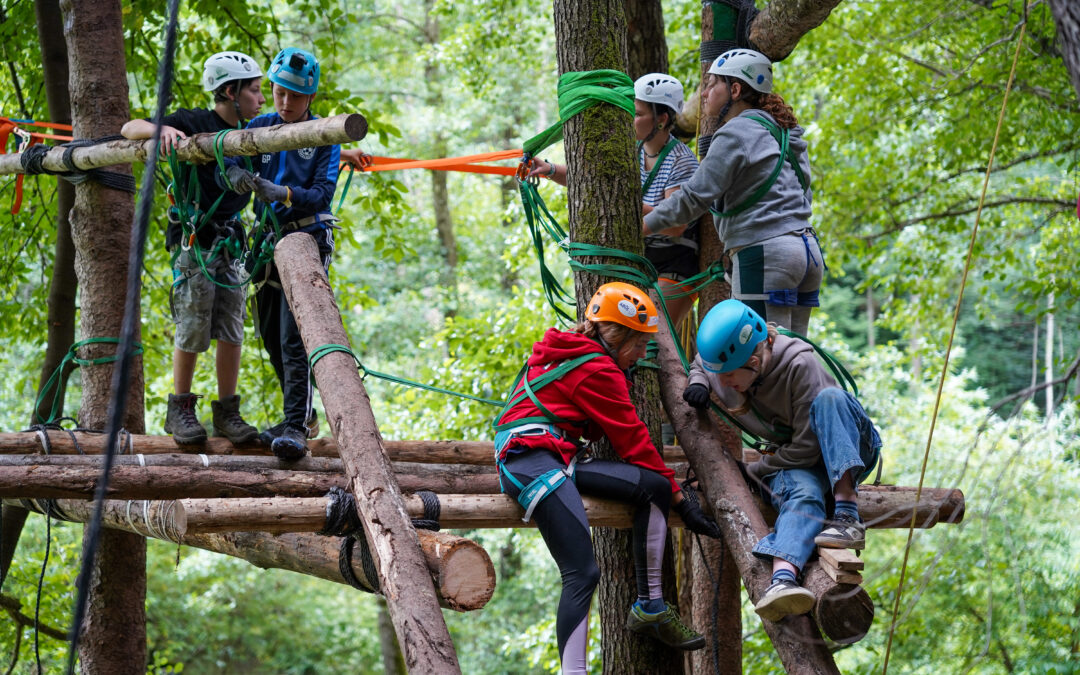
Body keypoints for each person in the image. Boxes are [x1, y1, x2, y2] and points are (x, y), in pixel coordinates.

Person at [493, 282, 722, 674]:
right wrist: (682, 499)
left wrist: (667, 490)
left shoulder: (573, 349)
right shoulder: (597, 368)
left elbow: (594, 429)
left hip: (554, 455)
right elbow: (634, 443)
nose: (642, 355)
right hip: (529, 459)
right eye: (639, 346)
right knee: (582, 571)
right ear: (621, 338)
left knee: (651, 489)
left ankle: (650, 607)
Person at [681, 299, 881, 622]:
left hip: (842, 446)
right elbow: (702, 363)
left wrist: (756, 471)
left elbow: (807, 447)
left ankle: (847, 515)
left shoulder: (800, 366)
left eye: (730, 376)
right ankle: (783, 581)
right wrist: (698, 382)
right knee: (803, 492)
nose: (726, 384)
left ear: (756, 361)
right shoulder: (730, 362)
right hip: (797, 462)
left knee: (830, 400)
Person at [121, 51, 265, 446]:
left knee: (232, 325)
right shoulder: (193, 122)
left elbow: (300, 134)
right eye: (255, 90)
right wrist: (158, 131)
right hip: (195, 242)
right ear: (231, 92)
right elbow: (128, 126)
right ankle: (179, 408)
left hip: (231, 244)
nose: (263, 98)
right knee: (192, 322)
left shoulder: (258, 132)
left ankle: (227, 411)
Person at [644, 49, 822, 336]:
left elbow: (694, 197)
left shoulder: (734, 133)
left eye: (711, 83)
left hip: (765, 255)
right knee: (795, 358)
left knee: (760, 357)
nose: (704, 94)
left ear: (735, 89)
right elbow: (804, 190)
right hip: (807, 252)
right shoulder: (784, 130)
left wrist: (645, 225)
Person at [220, 47, 340, 461]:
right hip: (267, 242)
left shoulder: (325, 133)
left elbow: (323, 194)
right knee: (271, 333)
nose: (285, 102)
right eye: (278, 92)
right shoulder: (262, 126)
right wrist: (233, 172)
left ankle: (295, 425)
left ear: (310, 98)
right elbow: (227, 156)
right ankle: (299, 417)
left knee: (294, 336)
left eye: (294, 95)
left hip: (306, 239)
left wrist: (285, 193)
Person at [529, 73, 702, 327]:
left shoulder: (681, 161)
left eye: (638, 114)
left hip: (675, 265)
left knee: (654, 336)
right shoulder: (633, 152)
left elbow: (675, 224)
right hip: (642, 259)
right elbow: (593, 182)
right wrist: (551, 170)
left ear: (662, 120)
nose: (629, 120)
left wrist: (626, 204)